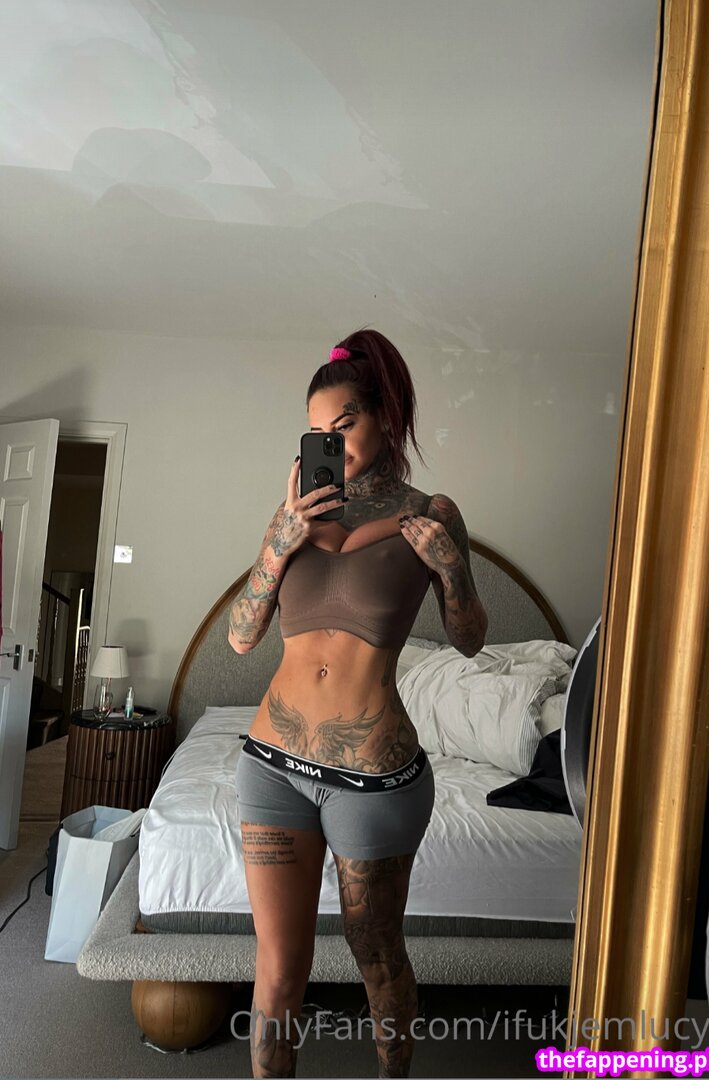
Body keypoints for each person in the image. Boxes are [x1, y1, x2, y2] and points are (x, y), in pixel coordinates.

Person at [229, 328, 488, 1078]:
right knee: (278, 968)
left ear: (385, 418)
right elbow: (241, 637)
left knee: (375, 955)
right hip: (271, 767)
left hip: (371, 777)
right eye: (316, 432)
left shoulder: (431, 513)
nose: (330, 444)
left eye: (343, 425)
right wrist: (280, 543)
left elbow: (470, 640)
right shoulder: (293, 516)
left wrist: (452, 570)